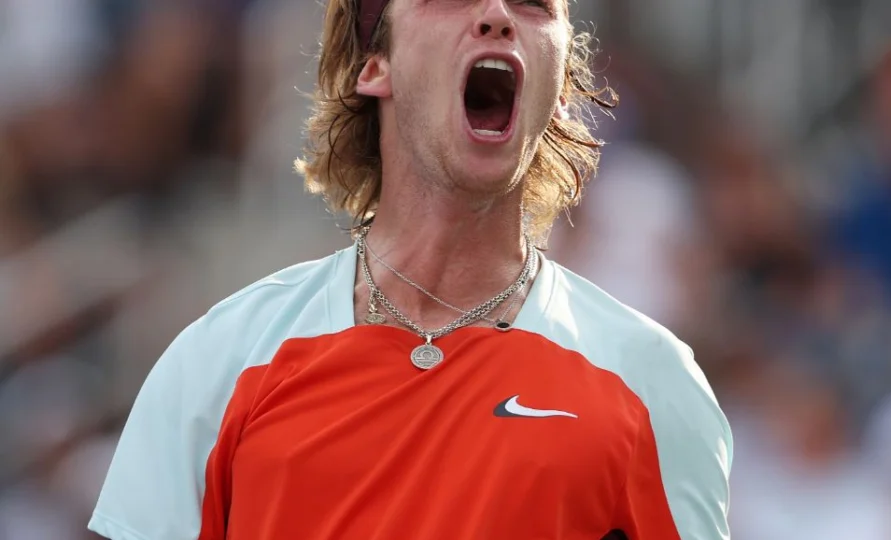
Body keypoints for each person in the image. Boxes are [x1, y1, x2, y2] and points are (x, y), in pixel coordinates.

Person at [88, 1, 733, 539]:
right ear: (376, 65)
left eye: (535, 2)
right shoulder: (219, 360)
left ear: (561, 88)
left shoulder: (653, 383)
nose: (498, 15)